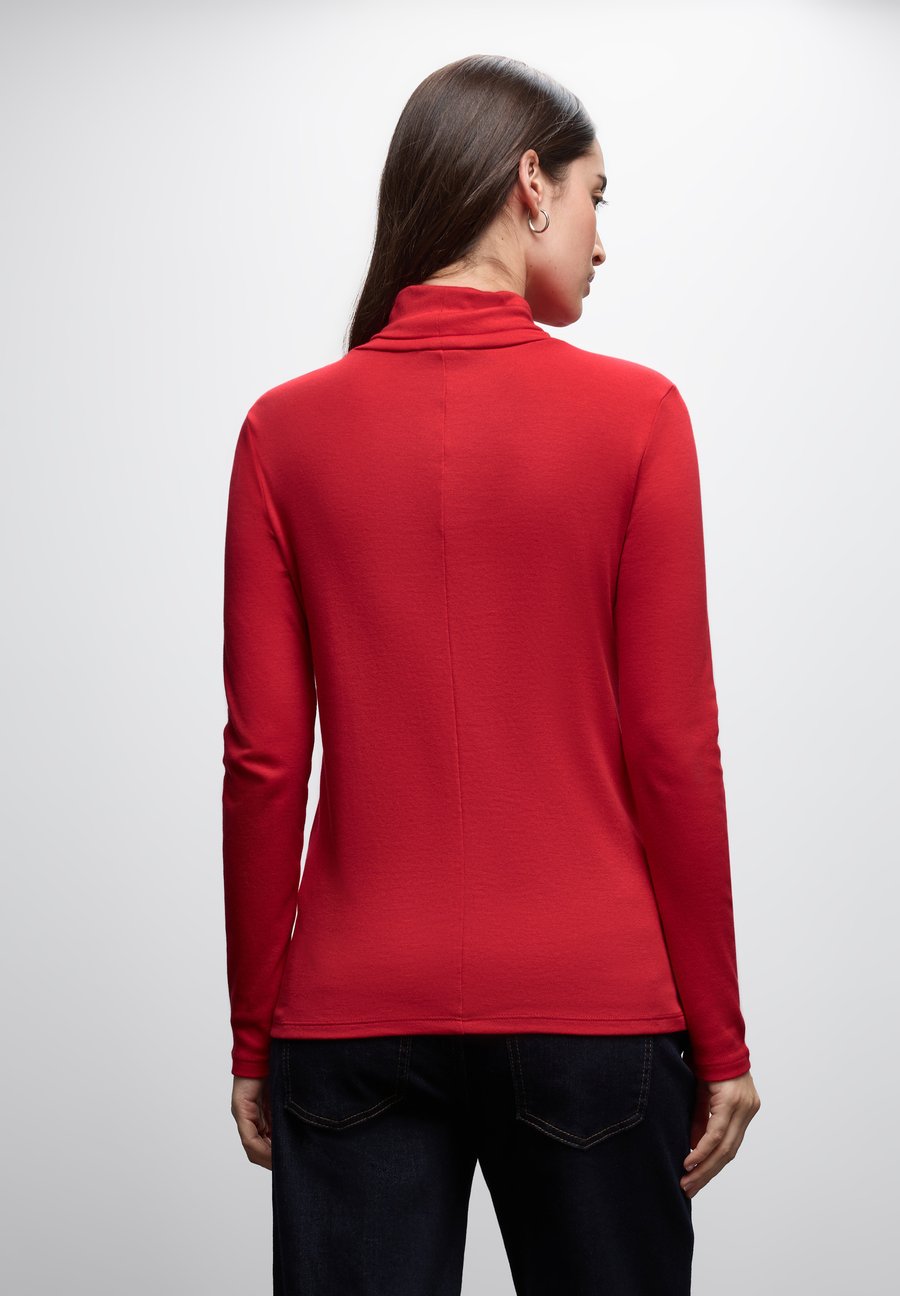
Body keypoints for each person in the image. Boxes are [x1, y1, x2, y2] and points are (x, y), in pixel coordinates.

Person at [222, 53, 761, 1295]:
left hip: (352, 1015)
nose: (601, 241)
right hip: (592, 1012)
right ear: (530, 183)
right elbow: (673, 750)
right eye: (594, 196)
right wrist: (722, 1039)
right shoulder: (639, 419)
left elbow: (264, 763)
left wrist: (255, 1035)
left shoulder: (282, 434)